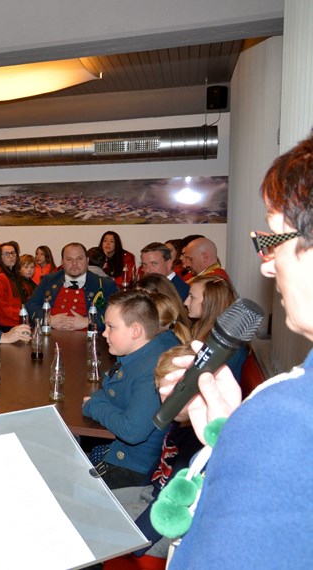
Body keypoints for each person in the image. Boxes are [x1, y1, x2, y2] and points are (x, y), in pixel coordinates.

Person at [165, 131, 313, 568]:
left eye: (273, 239)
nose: (266, 264)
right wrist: (228, 434)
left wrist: (251, 436)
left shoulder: (288, 418)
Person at [110, 344, 203, 560]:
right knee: (96, 503)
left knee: (99, 526)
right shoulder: (178, 422)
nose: (167, 399)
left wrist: (138, 541)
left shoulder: (196, 440)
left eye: (176, 390)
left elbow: (172, 501)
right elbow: (162, 465)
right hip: (153, 494)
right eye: (162, 391)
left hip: (168, 526)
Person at [82, 290, 179, 489]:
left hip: (134, 471)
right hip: (128, 457)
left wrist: (93, 405)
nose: (104, 333)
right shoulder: (147, 350)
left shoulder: (154, 370)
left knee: (65, 484)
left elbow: (132, 431)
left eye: (111, 327)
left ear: (135, 331)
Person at [25, 242, 119, 332]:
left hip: (89, 340)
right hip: (49, 337)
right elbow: (30, 306)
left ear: (87, 261)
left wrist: (89, 321)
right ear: (62, 262)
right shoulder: (49, 280)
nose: (74, 263)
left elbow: (118, 312)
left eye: (79, 258)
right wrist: (48, 319)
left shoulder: (104, 284)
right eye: (69, 259)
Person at [184, 275, 246, 379]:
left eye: (192, 297)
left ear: (210, 302)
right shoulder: (201, 327)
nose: (185, 302)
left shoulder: (226, 346)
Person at [0, 241, 34, 329]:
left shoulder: (14, 275)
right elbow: (2, 309)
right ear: (0, 258)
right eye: (7, 254)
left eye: (13, 253)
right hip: (7, 323)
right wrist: (26, 314)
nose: (11, 256)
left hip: (20, 318)